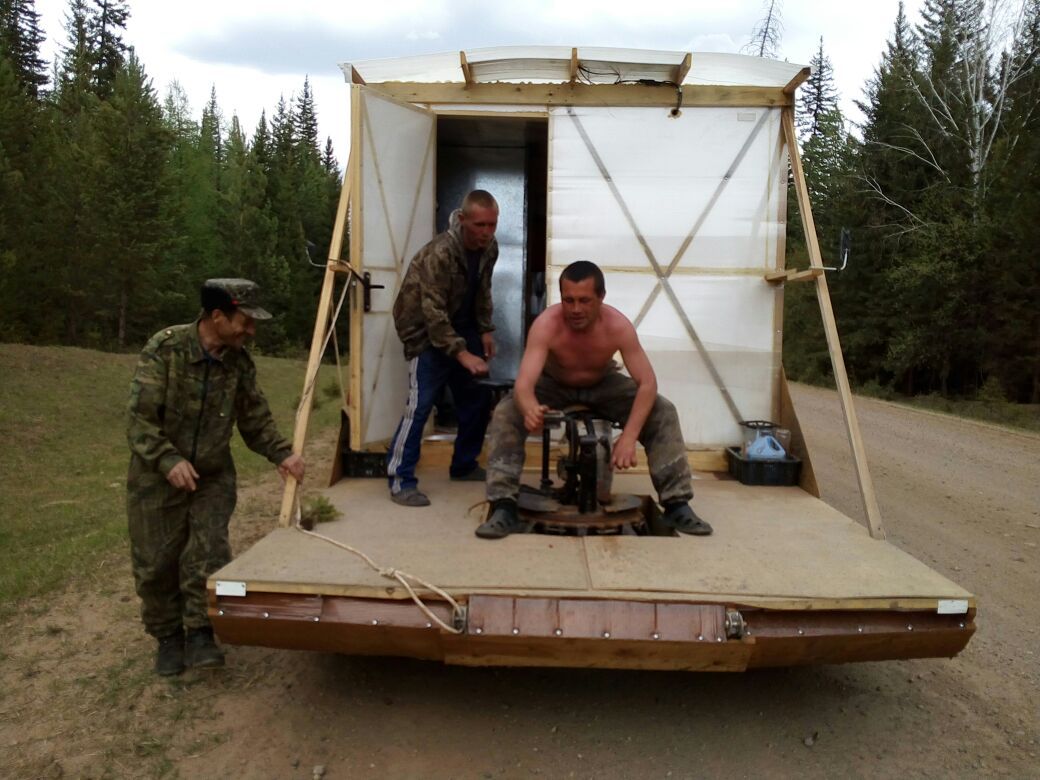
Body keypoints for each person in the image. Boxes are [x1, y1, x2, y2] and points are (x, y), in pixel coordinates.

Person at [126, 279, 306, 676]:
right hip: (156, 477)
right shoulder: (165, 349)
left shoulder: (239, 362)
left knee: (206, 553)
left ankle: (201, 632)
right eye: (246, 321)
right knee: (156, 562)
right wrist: (167, 460)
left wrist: (282, 453)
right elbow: (140, 420)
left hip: (212, 475)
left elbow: (254, 418)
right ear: (217, 316)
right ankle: (168, 637)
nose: (251, 330)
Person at [477, 260, 713, 539]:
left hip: (604, 383)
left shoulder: (618, 326)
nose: (576, 309)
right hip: (554, 384)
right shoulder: (546, 325)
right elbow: (524, 384)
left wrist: (628, 437)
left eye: (585, 301)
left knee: (662, 411)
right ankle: (503, 505)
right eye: (569, 300)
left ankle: (677, 504)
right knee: (506, 412)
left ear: (601, 297)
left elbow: (647, 383)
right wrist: (529, 408)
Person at [386, 190, 499, 507]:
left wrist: (486, 329)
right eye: (480, 225)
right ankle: (400, 480)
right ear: (462, 220)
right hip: (423, 329)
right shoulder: (439, 254)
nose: (486, 232)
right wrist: (463, 354)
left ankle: (464, 465)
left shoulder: (489, 248)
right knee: (420, 405)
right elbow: (433, 314)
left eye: (492, 225)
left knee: (477, 396)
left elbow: (483, 291)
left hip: (461, 326)